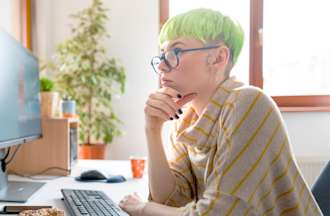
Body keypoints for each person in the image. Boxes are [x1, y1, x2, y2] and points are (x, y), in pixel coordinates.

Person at [119, 8, 323, 216]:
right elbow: (171, 203)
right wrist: (152, 129)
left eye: (175, 52)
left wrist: (144, 208)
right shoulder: (185, 125)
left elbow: (219, 213)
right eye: (162, 55)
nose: (162, 65)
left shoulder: (248, 103)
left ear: (218, 58)